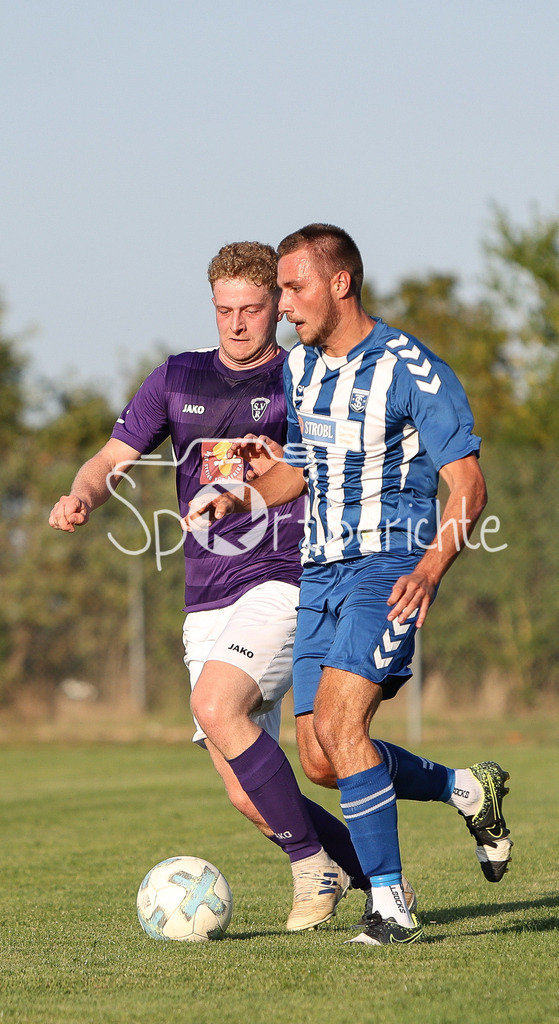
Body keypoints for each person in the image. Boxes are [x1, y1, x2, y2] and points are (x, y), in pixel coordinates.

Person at [49, 240, 401, 933]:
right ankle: (378, 885)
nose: (237, 323)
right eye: (224, 310)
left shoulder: (305, 378)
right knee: (248, 794)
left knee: (216, 704)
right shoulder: (176, 380)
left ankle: (309, 866)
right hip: (205, 596)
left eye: (251, 308)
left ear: (277, 305)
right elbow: (110, 458)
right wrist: (83, 494)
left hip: (284, 576)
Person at [190, 224, 513, 947]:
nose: (280, 306)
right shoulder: (301, 368)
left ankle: (391, 907)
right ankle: (467, 788)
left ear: (340, 283)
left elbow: (468, 484)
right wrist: (239, 493)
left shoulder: (409, 367)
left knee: (342, 728)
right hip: (321, 571)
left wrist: (429, 567)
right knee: (319, 758)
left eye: (293, 288)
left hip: (389, 566)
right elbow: (298, 467)